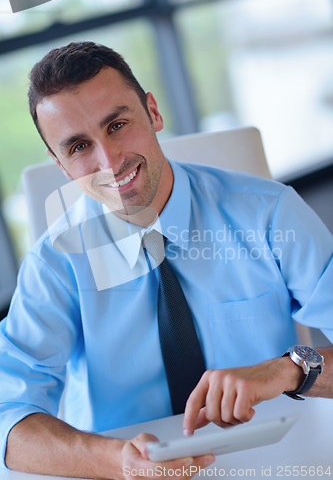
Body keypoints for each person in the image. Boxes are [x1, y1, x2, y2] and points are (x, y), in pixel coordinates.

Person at [0, 41, 332, 480]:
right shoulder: (55, 262)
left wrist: (289, 370)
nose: (109, 162)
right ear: (61, 165)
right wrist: (116, 460)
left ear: (153, 113)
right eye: (79, 147)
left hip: (278, 461)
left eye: (117, 125)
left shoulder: (270, 214)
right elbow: (7, 416)